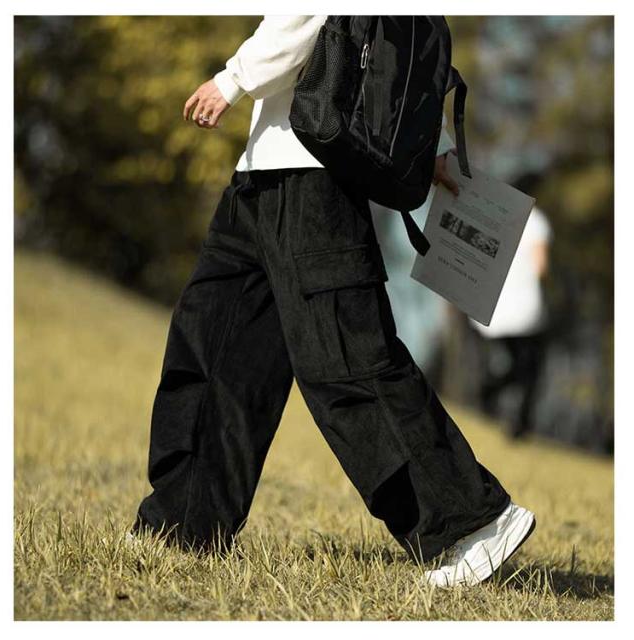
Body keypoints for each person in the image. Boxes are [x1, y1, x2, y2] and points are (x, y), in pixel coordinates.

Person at [132, 15, 535, 587]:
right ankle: (184, 522)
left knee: (348, 363)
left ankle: (471, 523)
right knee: (216, 349)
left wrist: (233, 79)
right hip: (261, 175)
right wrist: (436, 146)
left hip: (313, 181)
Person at [470, 204, 552, 439]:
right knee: (529, 369)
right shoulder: (536, 221)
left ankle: (489, 393)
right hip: (524, 311)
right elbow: (541, 267)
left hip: (492, 308)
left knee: (512, 364)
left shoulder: (495, 213)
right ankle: (519, 422)